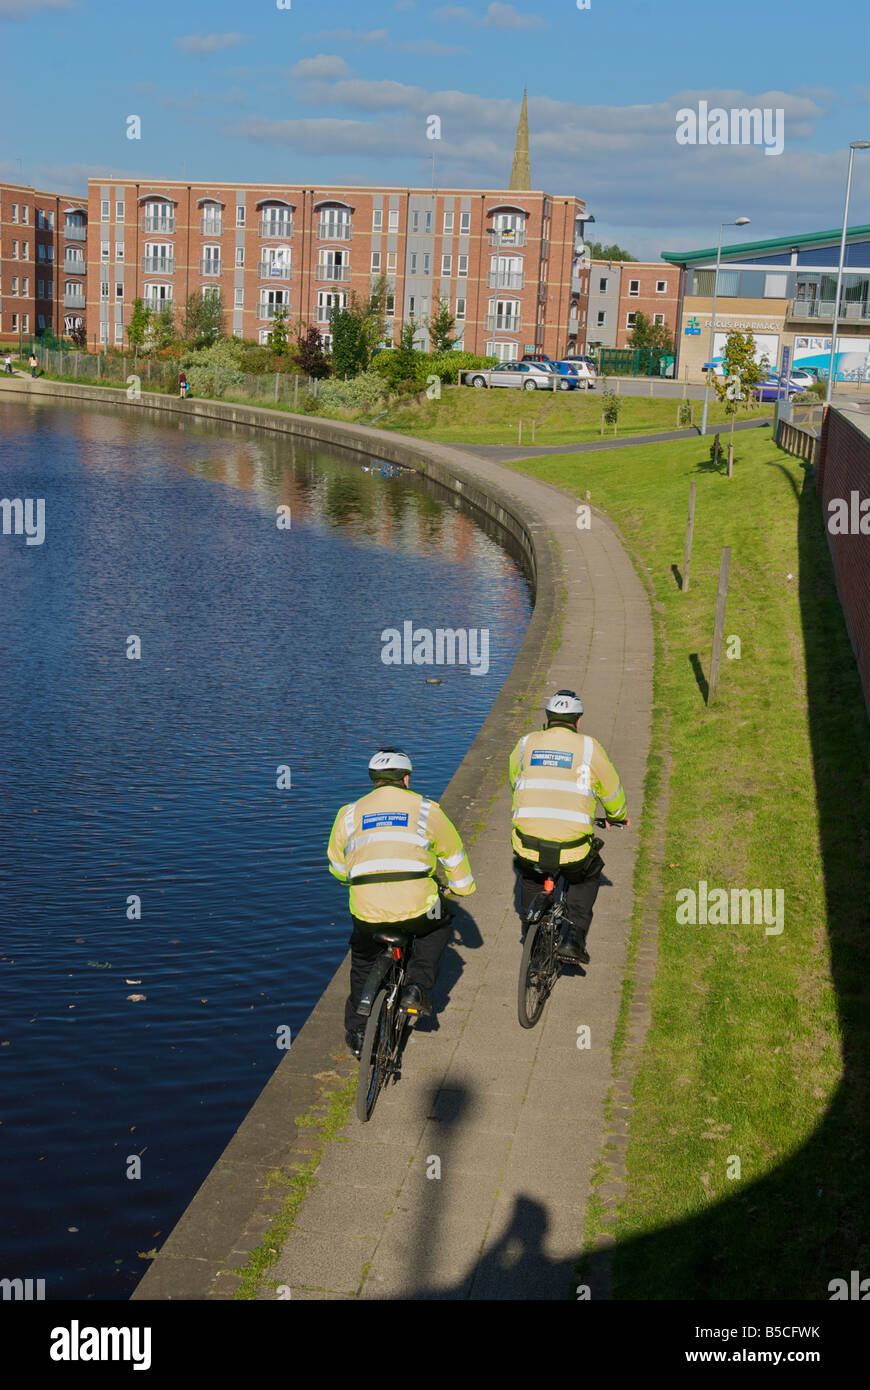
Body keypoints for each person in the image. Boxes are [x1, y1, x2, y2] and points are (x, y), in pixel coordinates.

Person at [327, 747, 476, 1057]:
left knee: (363, 959)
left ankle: (356, 1029)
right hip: (417, 907)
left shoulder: (349, 813)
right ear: (406, 779)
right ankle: (416, 986)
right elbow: (453, 853)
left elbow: (338, 868)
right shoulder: (427, 810)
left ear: (374, 780)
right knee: (439, 924)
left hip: (368, 911)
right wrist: (459, 890)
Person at [509, 690, 629, 965]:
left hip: (529, 842)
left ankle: (532, 936)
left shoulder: (526, 744)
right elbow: (611, 792)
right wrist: (617, 815)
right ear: (578, 721)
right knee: (588, 874)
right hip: (572, 848)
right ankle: (574, 937)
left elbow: (515, 782)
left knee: (530, 875)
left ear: (548, 718)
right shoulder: (590, 748)